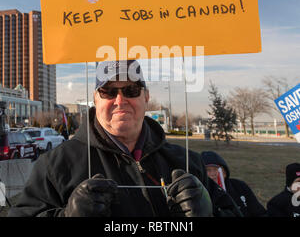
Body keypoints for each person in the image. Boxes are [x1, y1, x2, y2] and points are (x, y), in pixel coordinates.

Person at [8, 60, 215, 217]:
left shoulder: (187, 163)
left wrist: (210, 211)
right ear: (96, 99)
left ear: (146, 97)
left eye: (130, 90)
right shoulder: (55, 165)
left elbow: (234, 209)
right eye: (108, 91)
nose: (120, 100)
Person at [201, 151, 267, 217]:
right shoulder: (200, 193)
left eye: (216, 169)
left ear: (225, 172)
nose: (213, 174)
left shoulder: (239, 186)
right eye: (208, 170)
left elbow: (258, 211)